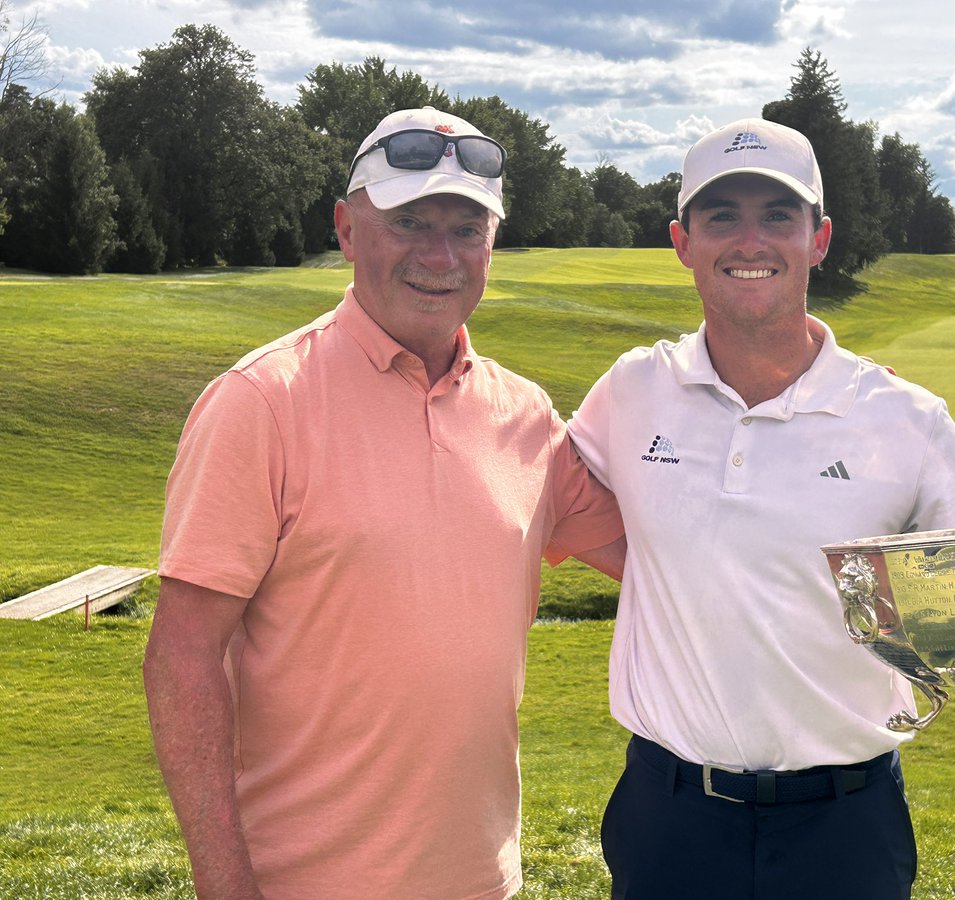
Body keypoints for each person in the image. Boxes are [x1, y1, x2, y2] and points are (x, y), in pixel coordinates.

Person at [566, 117, 955, 898]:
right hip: (669, 819)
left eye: (779, 215)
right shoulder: (630, 392)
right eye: (721, 215)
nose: (750, 240)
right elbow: (547, 504)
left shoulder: (910, 421)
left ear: (820, 237)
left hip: (845, 826)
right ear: (681, 240)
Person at [143, 107, 625, 900]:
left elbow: (662, 562)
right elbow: (181, 657)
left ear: (492, 245)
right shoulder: (260, 402)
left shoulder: (528, 417)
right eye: (410, 221)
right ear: (347, 227)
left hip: (481, 881)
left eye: (467, 228)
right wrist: (225, 886)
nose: (440, 255)